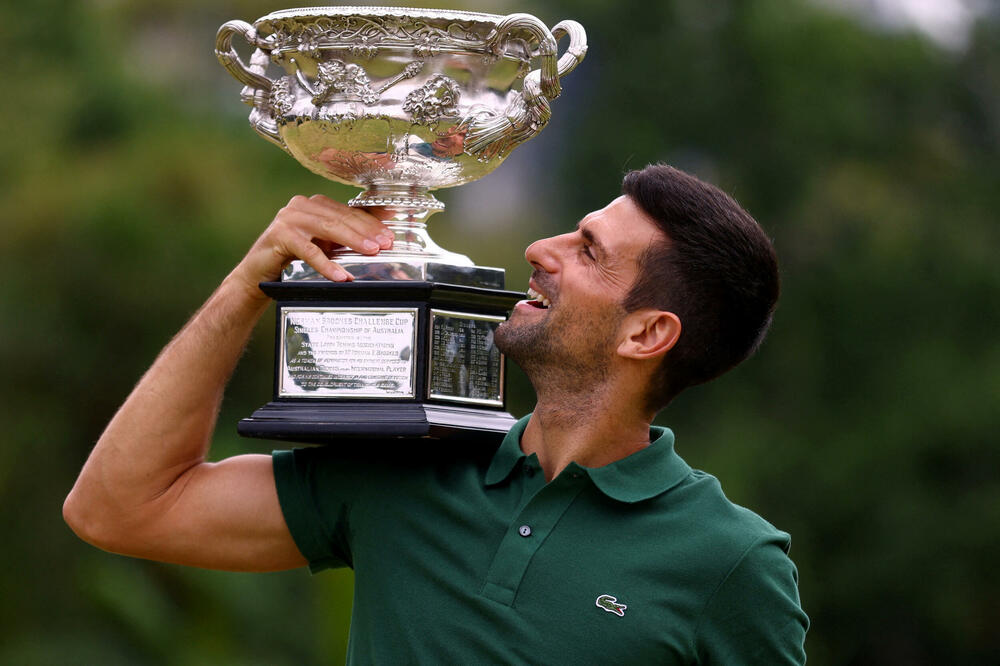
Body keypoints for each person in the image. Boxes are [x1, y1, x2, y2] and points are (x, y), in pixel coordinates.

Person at [64, 164, 808, 662]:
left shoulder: (732, 563)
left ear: (646, 334)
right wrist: (247, 285)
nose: (539, 249)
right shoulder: (404, 465)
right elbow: (118, 509)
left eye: (587, 251)